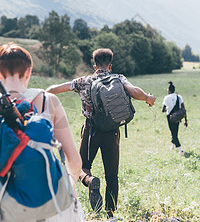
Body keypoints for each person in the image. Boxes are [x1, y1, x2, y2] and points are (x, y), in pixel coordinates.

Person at [46, 48, 156, 220]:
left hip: (92, 130)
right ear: (110, 65)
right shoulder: (118, 78)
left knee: (81, 167)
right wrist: (148, 98)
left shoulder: (83, 81)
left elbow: (56, 89)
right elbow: (134, 92)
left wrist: (40, 95)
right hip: (113, 132)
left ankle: (90, 181)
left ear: (94, 65)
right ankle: (111, 214)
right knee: (112, 174)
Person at [0, 43, 84, 222]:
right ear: (29, 71)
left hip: (10, 209)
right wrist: (68, 194)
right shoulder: (49, 101)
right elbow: (75, 161)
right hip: (54, 204)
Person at [162, 81, 188, 156]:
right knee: (175, 132)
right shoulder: (179, 97)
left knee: (174, 133)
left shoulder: (166, 98)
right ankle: (172, 146)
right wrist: (185, 120)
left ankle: (180, 150)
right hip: (178, 117)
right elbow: (183, 109)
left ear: (169, 90)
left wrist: (167, 109)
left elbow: (163, 110)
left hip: (170, 118)